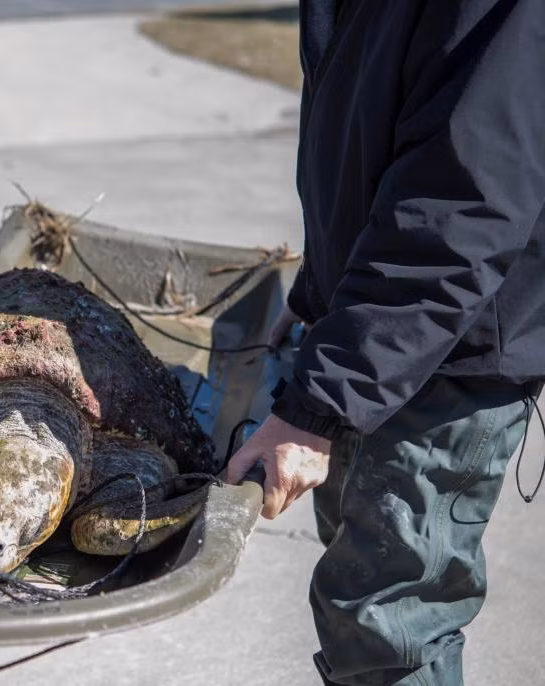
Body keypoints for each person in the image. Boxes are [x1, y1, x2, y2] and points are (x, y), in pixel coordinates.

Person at [226, 2, 545, 684]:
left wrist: (320, 405)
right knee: (362, 614)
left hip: (440, 355)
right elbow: (373, 132)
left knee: (385, 628)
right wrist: (320, 288)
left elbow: (460, 205)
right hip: (375, 336)